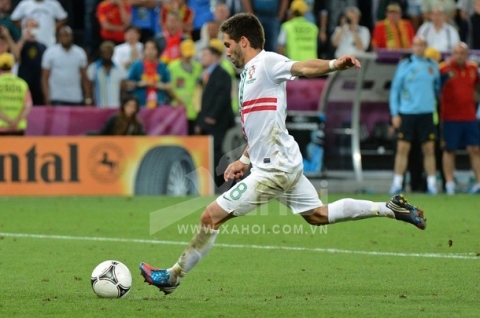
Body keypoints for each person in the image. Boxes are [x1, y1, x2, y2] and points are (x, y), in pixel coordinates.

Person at [139, 13, 427, 296]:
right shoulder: (248, 76)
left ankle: (173, 276)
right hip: (280, 162)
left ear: (243, 41)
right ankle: (388, 208)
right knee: (317, 215)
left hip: (274, 169)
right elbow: (261, 127)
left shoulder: (266, 62)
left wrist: (334, 64)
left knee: (210, 216)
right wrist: (244, 160)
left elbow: (303, 67)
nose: (226, 52)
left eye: (227, 45)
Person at [389, 36, 440, 195]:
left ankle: (432, 184)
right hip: (408, 112)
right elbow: (395, 91)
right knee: (403, 148)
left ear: (425, 47)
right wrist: (395, 113)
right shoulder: (405, 65)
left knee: (429, 148)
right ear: (412, 46)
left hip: (426, 113)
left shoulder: (432, 66)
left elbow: (437, 89)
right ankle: (397, 183)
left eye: (422, 45)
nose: (419, 47)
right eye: (416, 44)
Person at [439, 42, 480, 194]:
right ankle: (449, 183)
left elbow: (477, 87)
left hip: (469, 115)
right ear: (452, 54)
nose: (460, 56)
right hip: (450, 116)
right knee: (450, 150)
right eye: (457, 53)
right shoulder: (444, 69)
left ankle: (479, 182)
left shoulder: (473, 69)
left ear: (467, 54)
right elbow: (436, 87)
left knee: (475, 149)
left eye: (462, 53)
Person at [195, 41, 235, 190]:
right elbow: (203, 100)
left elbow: (223, 97)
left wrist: (212, 116)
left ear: (215, 57)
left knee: (216, 150)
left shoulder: (222, 74)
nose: (202, 57)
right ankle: (224, 182)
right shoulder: (205, 74)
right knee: (213, 150)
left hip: (218, 120)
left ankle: (229, 180)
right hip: (208, 119)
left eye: (205, 54)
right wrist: (200, 121)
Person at [41, 26, 90, 106]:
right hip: (56, 97)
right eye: (62, 35)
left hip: (75, 97)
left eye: (67, 35)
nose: (65, 38)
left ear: (72, 36)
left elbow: (84, 77)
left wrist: (88, 98)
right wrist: (47, 99)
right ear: (58, 37)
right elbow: (45, 78)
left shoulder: (80, 53)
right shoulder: (50, 53)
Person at [167, 39, 202, 135]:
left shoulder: (198, 67)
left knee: (192, 136)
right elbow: (168, 87)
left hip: (194, 109)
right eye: (187, 54)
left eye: (190, 54)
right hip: (177, 109)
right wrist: (178, 100)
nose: (189, 56)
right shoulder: (172, 67)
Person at [126, 39, 171, 107]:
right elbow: (127, 83)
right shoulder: (137, 65)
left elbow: (170, 85)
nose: (150, 51)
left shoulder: (162, 66)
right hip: (140, 104)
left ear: (157, 51)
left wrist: (162, 86)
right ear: (144, 51)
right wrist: (138, 84)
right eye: (148, 49)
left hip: (159, 104)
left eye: (153, 49)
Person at [15, 18, 47, 106]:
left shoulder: (43, 47)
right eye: (29, 26)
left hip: (38, 84)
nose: (31, 29)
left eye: (34, 26)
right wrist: (23, 39)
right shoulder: (21, 44)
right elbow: (15, 57)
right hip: (24, 83)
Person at [87, 41, 128, 108]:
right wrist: (89, 100)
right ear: (100, 53)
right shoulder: (93, 68)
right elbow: (90, 87)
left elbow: (123, 89)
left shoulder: (120, 69)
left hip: (115, 106)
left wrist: (123, 104)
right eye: (104, 52)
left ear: (113, 53)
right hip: (99, 106)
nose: (107, 54)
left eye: (109, 52)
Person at [0, 53, 32, 135]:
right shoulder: (22, 84)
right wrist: (16, 121)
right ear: (12, 66)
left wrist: (7, 120)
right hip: (18, 127)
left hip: (2, 126)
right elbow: (28, 106)